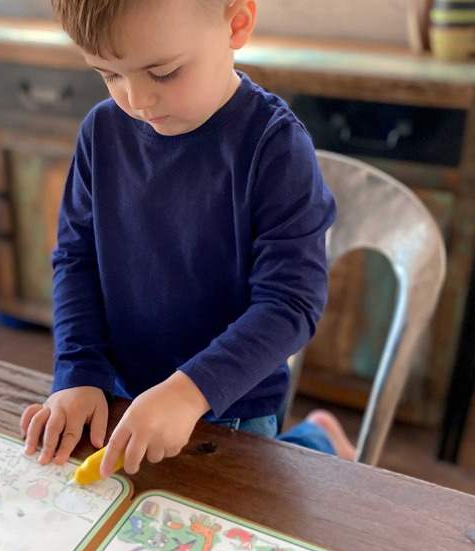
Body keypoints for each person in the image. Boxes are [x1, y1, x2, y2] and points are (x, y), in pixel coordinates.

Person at [21, 0, 356, 476]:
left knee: (253, 497)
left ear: (237, 24)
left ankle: (317, 436)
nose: (137, 100)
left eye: (164, 73)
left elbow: (290, 303)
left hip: (232, 404)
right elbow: (76, 260)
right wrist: (77, 371)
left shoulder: (275, 148)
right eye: (109, 74)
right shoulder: (101, 132)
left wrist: (187, 393)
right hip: (121, 391)